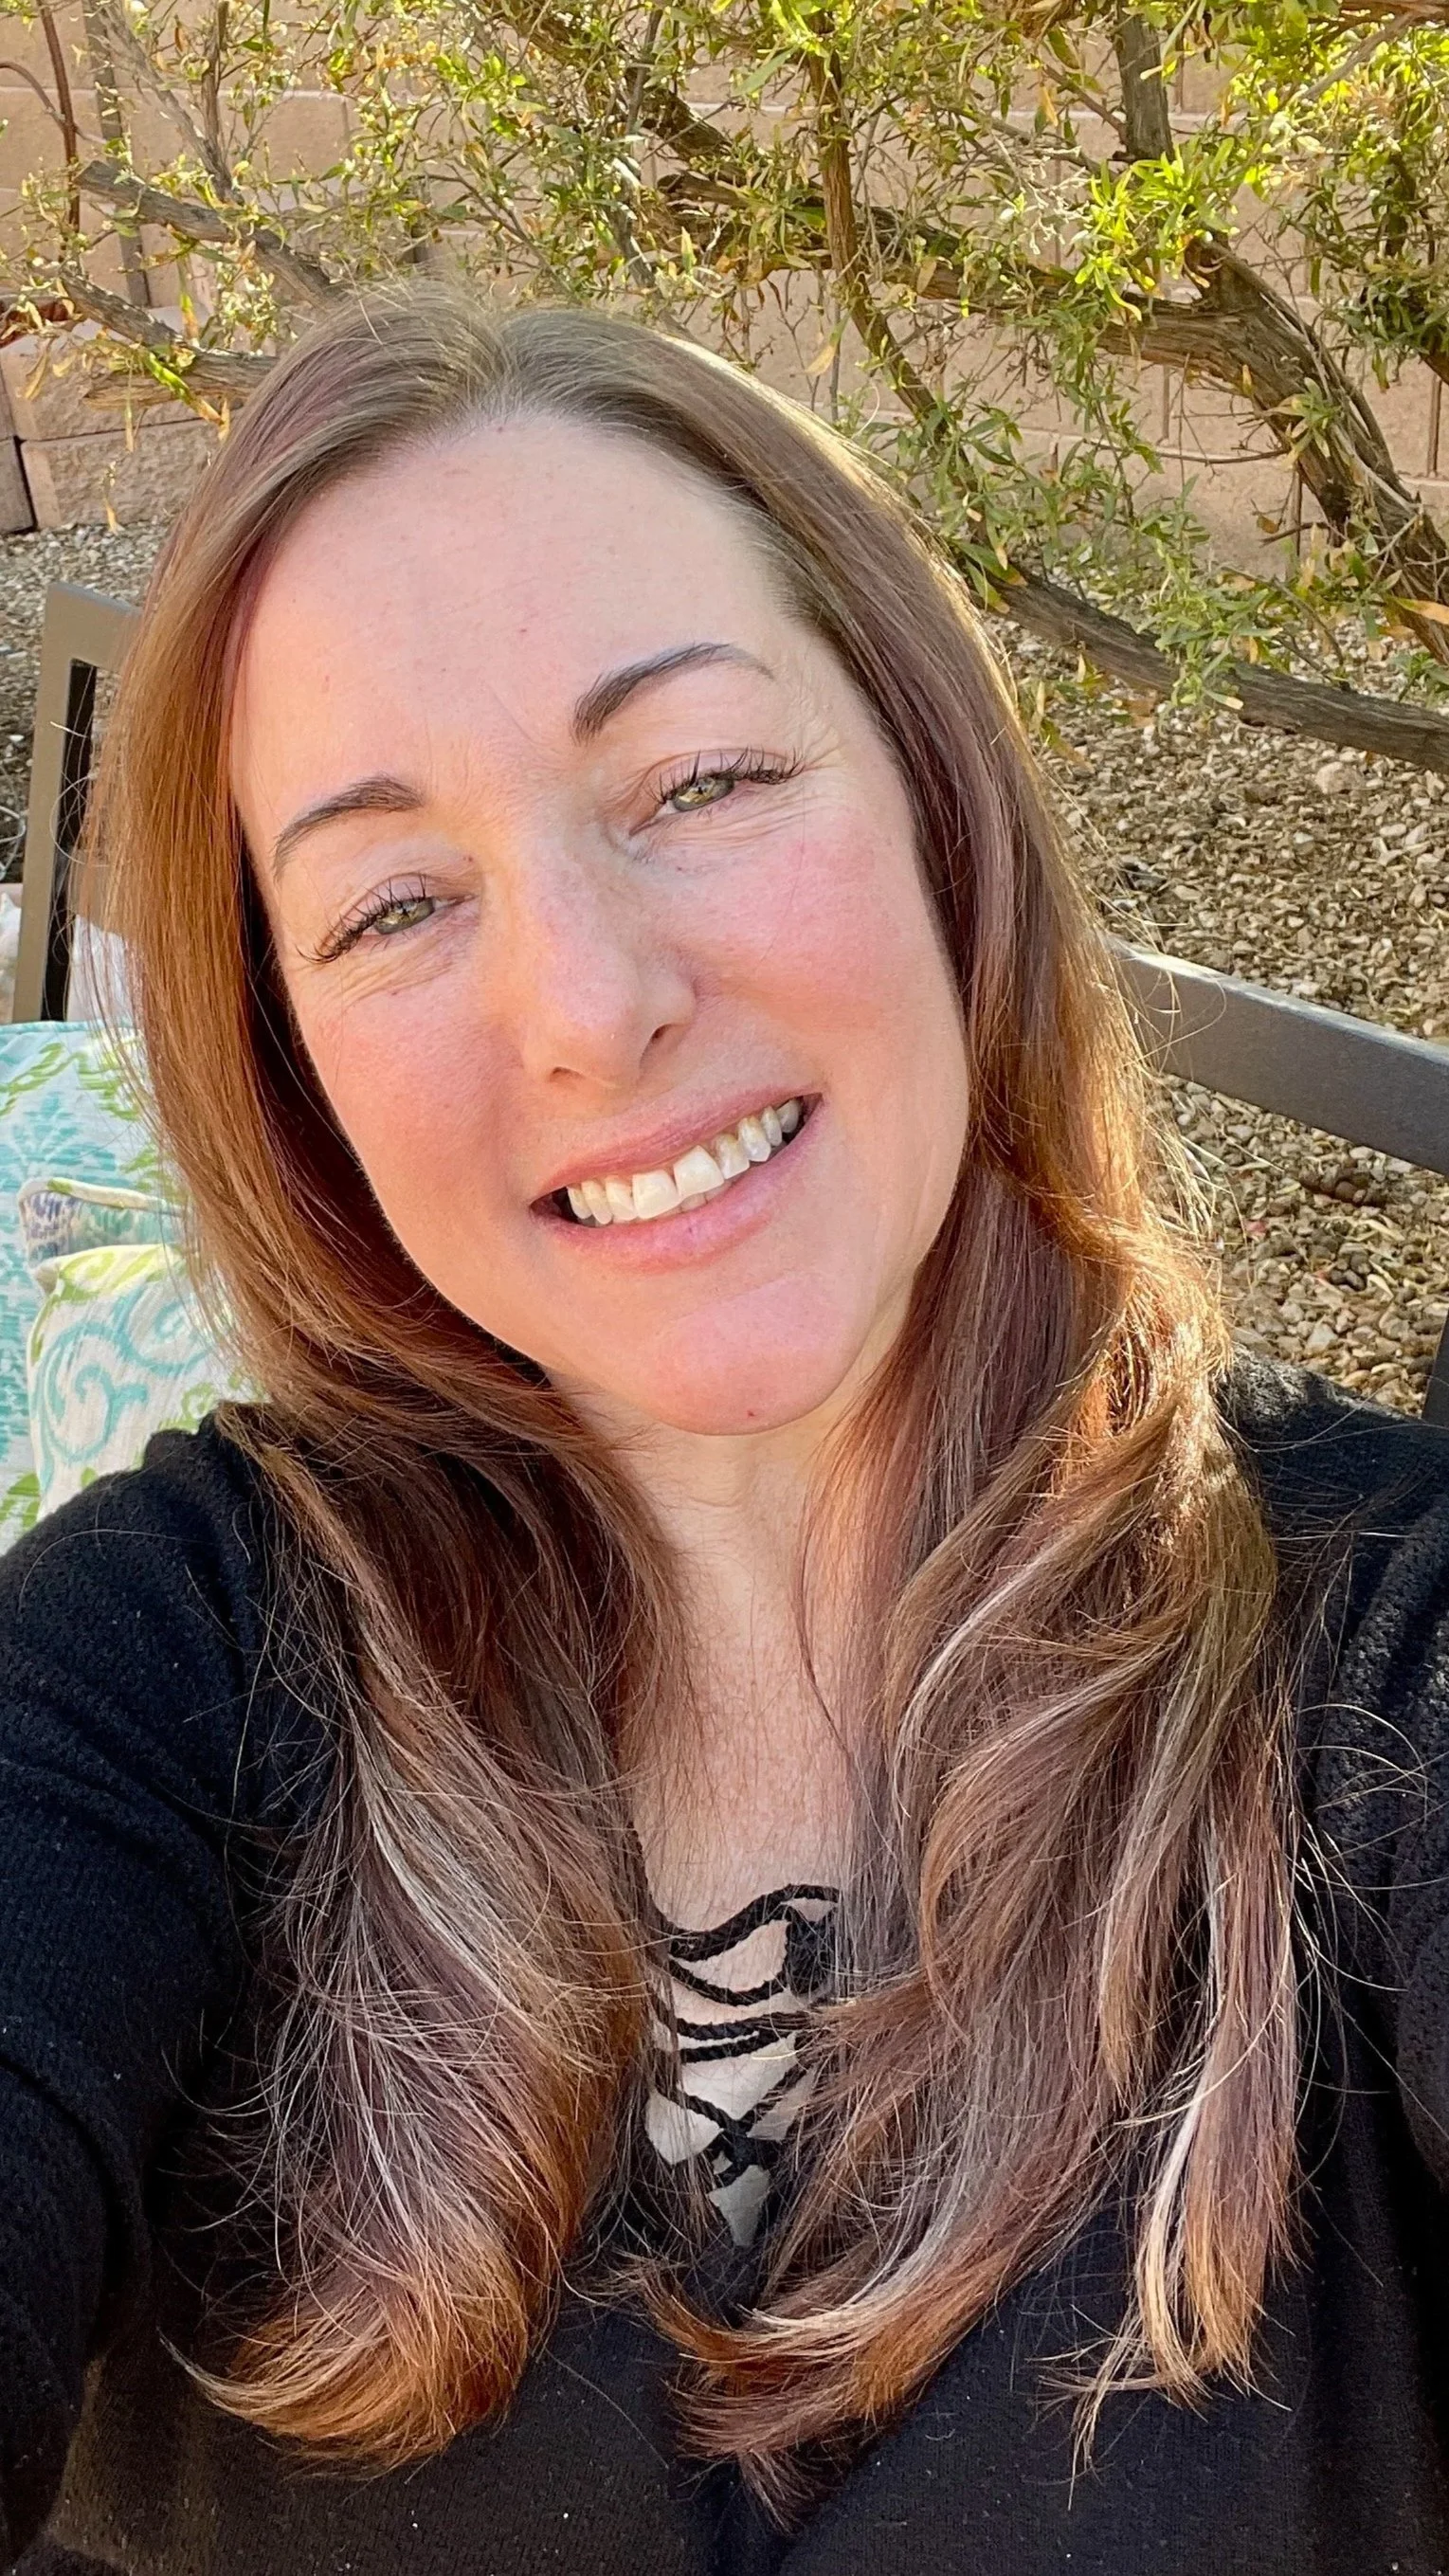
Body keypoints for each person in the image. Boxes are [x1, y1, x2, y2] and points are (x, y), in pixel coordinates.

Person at [1, 285, 1447, 2576]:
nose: (586, 1004)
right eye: (393, 902)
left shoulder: (1377, 1661)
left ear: (931, 803)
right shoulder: (147, 1678)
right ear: (288, 1067)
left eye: (698, 779)